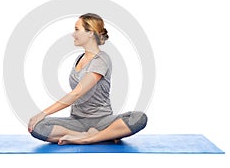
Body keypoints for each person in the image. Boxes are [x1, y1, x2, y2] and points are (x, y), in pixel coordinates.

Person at [28, 13, 147, 145]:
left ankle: (89, 139)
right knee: (38, 127)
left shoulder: (101, 59)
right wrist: (41, 118)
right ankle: (90, 136)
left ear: (90, 33)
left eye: (77, 29)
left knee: (139, 118)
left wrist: (43, 113)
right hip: (76, 121)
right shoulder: (79, 59)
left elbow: (77, 93)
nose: (73, 34)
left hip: (102, 121)